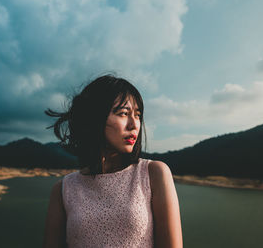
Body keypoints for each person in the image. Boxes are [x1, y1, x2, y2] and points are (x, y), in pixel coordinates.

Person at [43, 74, 182, 248]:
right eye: (124, 113)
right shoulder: (64, 189)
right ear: (94, 117)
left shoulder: (153, 173)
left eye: (138, 115)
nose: (134, 124)